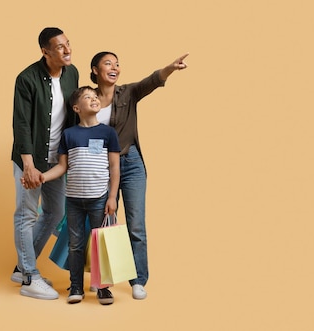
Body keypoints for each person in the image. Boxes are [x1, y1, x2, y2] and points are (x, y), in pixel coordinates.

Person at [90, 51, 188, 299]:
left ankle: (138, 280)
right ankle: (102, 279)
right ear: (95, 70)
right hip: (101, 167)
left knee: (136, 225)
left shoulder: (128, 93)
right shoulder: (86, 98)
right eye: (108, 63)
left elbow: (152, 81)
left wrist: (170, 68)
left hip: (131, 163)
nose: (115, 67)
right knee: (103, 222)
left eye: (117, 63)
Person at [34, 86, 121, 305]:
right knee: (75, 244)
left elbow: (114, 167)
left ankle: (103, 288)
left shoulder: (108, 133)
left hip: (99, 198)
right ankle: (75, 286)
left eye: (94, 96)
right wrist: (43, 177)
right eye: (87, 97)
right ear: (76, 108)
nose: (93, 99)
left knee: (100, 243)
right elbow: (62, 167)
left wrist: (112, 197)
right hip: (73, 200)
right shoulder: (69, 134)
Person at [11, 27, 79, 300]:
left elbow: (75, 113)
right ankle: (29, 276)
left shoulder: (71, 73)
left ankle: (21, 267)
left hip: (56, 158)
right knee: (27, 214)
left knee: (54, 212)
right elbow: (21, 123)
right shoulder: (26, 78)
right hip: (31, 158)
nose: (67, 50)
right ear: (45, 51)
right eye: (60, 47)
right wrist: (28, 165)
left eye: (68, 44)